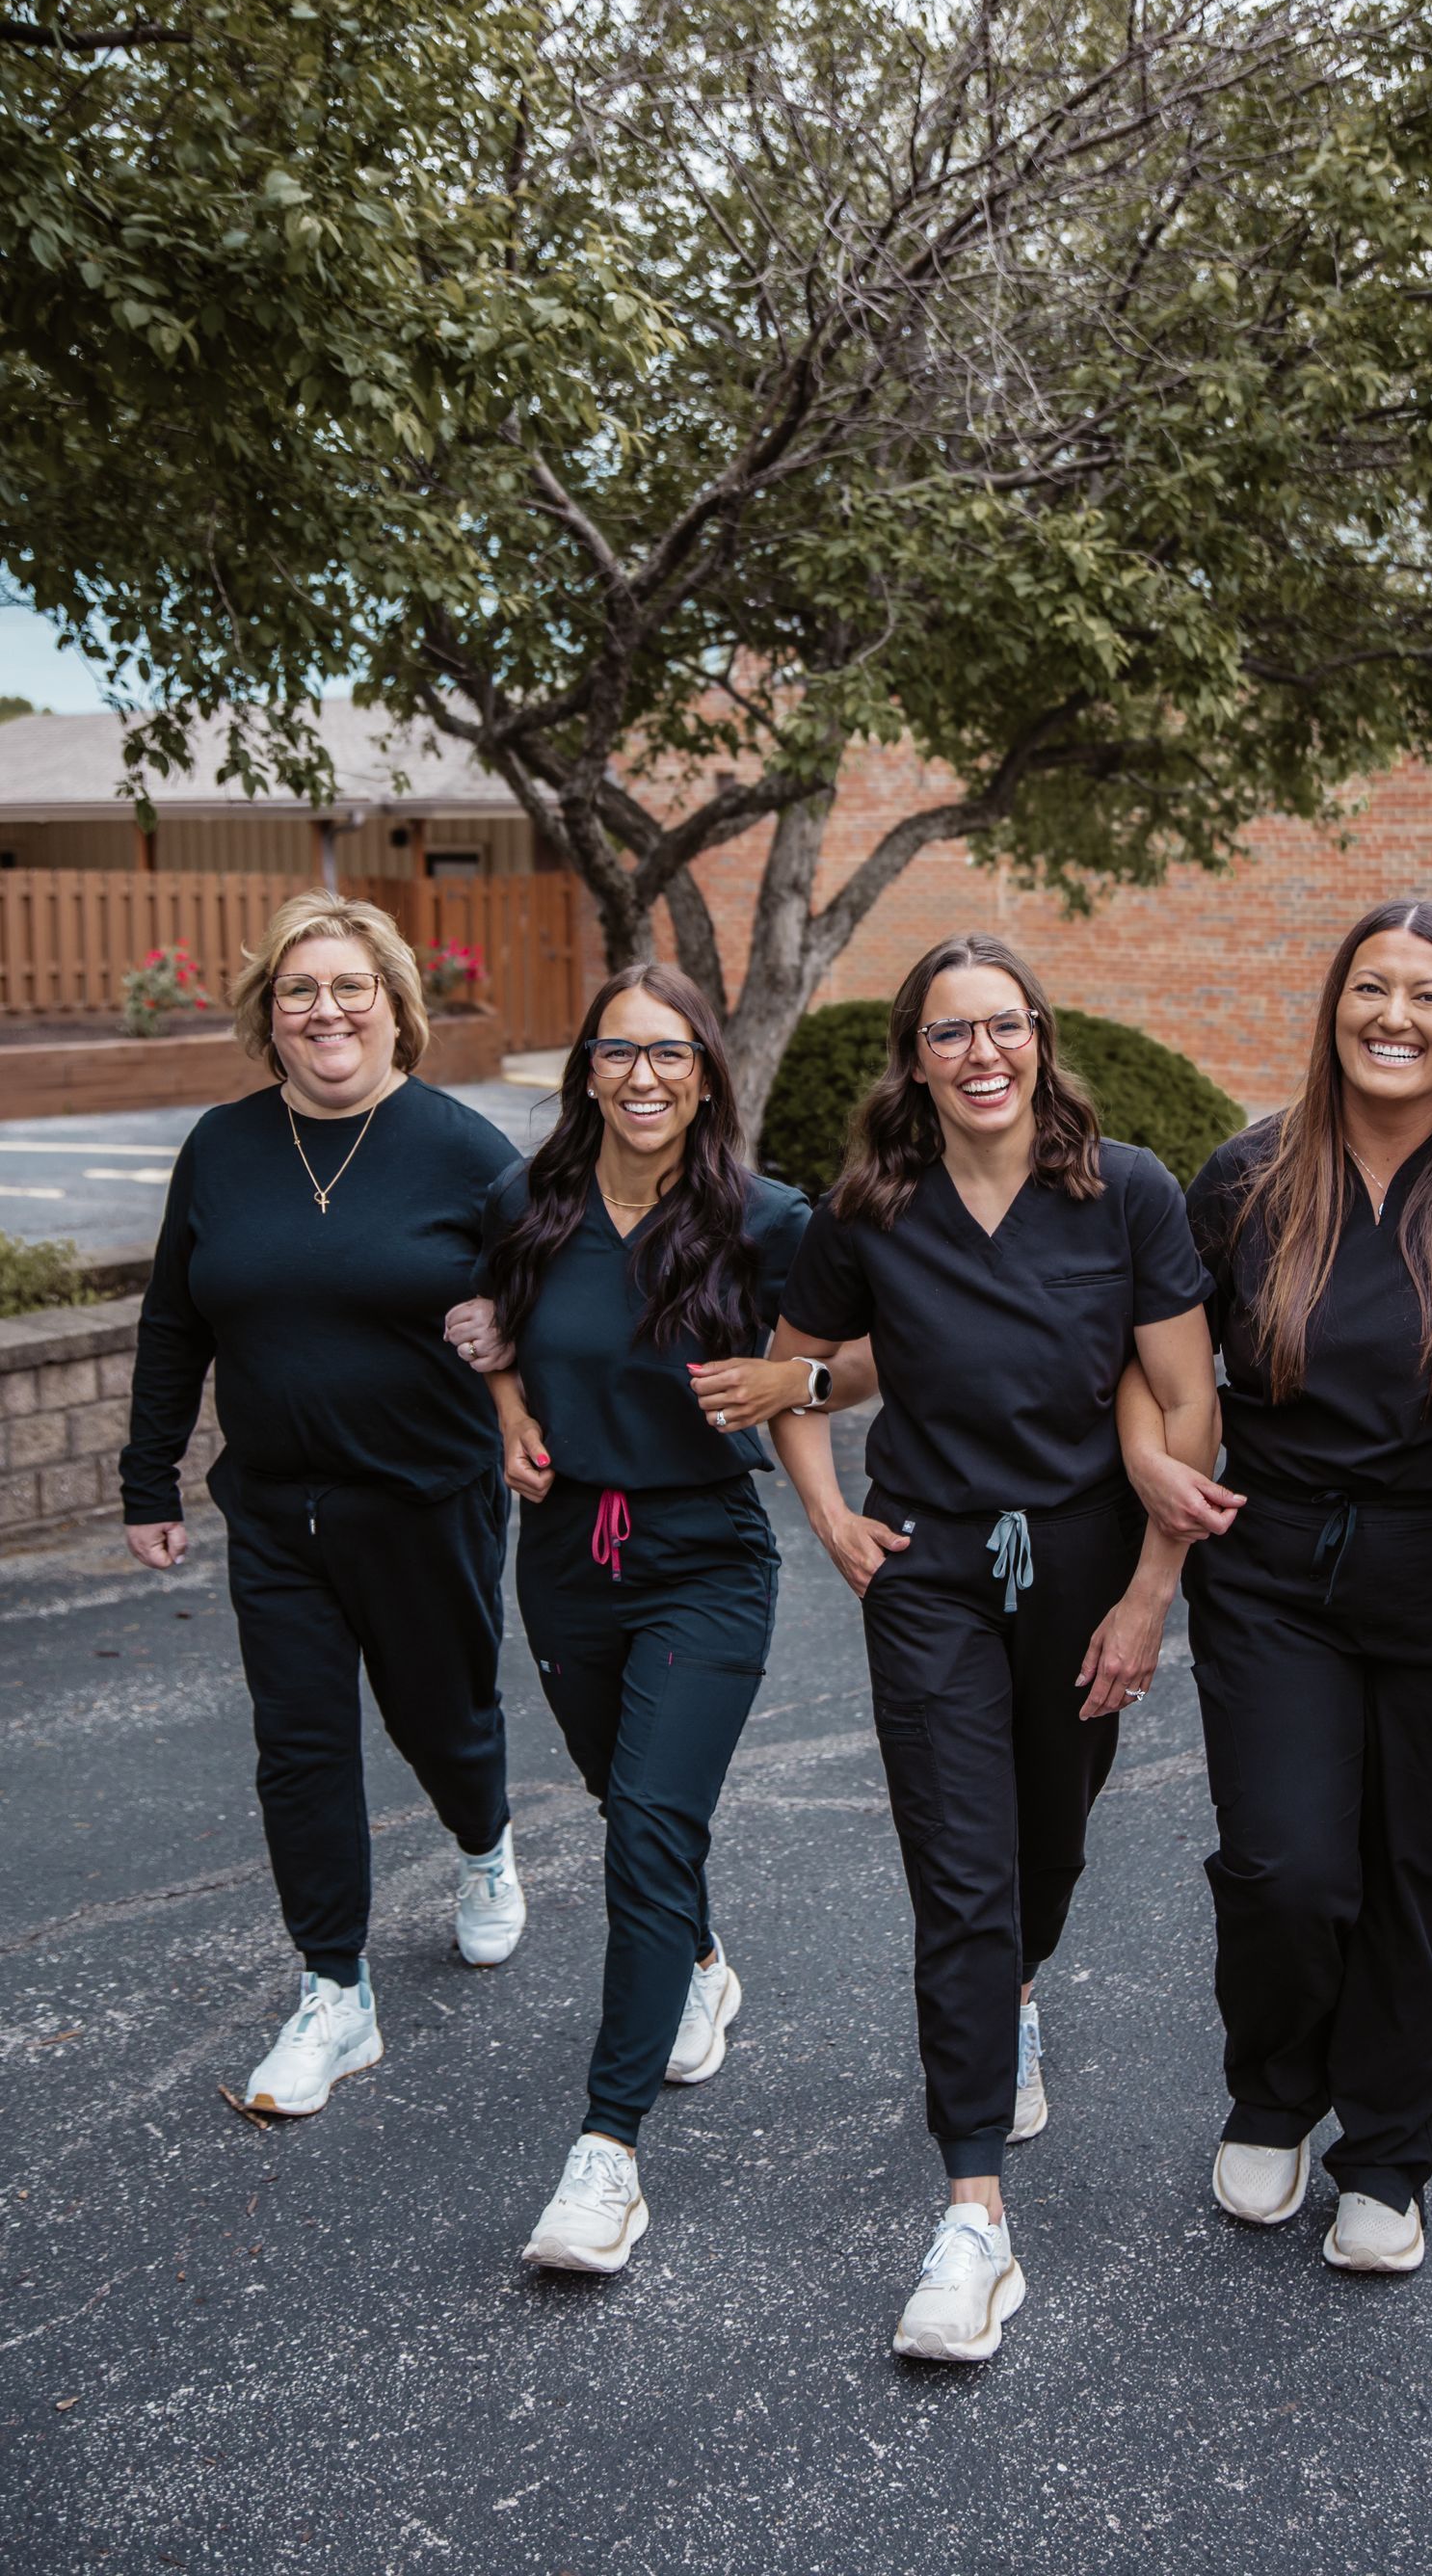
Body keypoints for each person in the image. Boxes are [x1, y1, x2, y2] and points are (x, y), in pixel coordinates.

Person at [1121, 899, 1432, 2274]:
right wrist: (1151, 1459)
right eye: (1371, 990)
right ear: (1335, 1007)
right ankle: (1274, 2092)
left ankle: (1387, 2155)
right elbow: (1153, 1357)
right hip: (1278, 1570)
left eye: (1428, 996)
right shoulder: (1250, 1175)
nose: (1395, 1017)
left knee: (1420, 1879)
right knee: (1283, 1866)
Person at [769, 933, 1218, 2362]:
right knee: (960, 1872)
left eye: (1003, 1027)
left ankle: (1014, 1990)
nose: (981, 1056)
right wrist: (834, 1517)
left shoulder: (1126, 1192)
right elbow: (799, 1370)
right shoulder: (871, 1209)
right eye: (950, 1034)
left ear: (1040, 1036)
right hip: (933, 1572)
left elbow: (1186, 1403)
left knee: (1051, 1841)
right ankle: (974, 2212)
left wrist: (1152, 1595)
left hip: (1087, 1565)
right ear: (913, 1057)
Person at [468, 963, 874, 2275]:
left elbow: (878, 1347)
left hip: (706, 1554)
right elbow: (490, 1334)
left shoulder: (766, 1220)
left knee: (650, 1818)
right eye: (619, 1054)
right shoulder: (526, 1207)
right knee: (618, 1795)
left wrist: (793, 1377)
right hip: (566, 1554)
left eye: (671, 1055)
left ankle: (607, 2155)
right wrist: (514, 1417)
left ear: (706, 1072)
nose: (644, 1078)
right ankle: (697, 1957)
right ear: (585, 1069)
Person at [120, 889, 524, 2118]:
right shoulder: (225, 1147)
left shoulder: (465, 1150)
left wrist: (514, 1324)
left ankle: (485, 1846)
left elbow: (558, 1293)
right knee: (298, 1750)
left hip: (426, 1501)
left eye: (350, 986)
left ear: (396, 1006)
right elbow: (174, 1320)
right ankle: (334, 1992)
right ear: (270, 1017)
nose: (325, 1009)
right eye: (299, 991)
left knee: (441, 1721)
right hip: (276, 1513)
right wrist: (148, 1477)